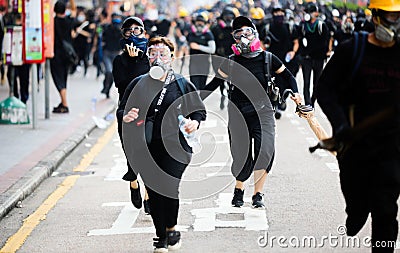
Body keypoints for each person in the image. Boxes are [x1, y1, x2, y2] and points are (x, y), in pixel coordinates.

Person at [316, 1, 400, 252]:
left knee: (385, 210)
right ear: (376, 17)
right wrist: (340, 124)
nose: (397, 23)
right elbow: (325, 90)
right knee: (357, 198)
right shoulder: (352, 50)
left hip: (392, 146)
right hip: (355, 144)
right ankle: (356, 210)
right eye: (392, 17)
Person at [117, 36, 206, 252]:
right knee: (154, 191)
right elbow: (122, 110)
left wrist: (194, 122)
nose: (158, 58)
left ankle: (172, 228)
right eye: (153, 54)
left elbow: (198, 110)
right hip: (146, 146)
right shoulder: (137, 83)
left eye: (163, 54)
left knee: (168, 187)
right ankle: (161, 236)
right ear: (148, 57)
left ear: (172, 58)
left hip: (175, 146)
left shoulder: (182, 83)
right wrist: (127, 116)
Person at [204, 16, 301, 209]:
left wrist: (295, 93)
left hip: (263, 110)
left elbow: (288, 76)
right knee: (241, 156)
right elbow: (214, 84)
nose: (243, 36)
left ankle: (258, 194)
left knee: (265, 151)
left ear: (254, 34)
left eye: (247, 31)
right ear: (234, 39)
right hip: (238, 113)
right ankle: (239, 188)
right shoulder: (230, 62)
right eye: (238, 34)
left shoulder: (268, 58)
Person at [113, 16, 151, 214]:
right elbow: (125, 85)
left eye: (138, 30)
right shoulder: (119, 61)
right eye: (129, 30)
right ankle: (133, 181)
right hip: (126, 111)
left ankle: (148, 193)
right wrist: (132, 60)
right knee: (131, 151)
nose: (133, 33)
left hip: (148, 112)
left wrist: (139, 59)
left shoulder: (149, 59)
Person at [265, 6, 300, 119]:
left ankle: (282, 101)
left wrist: (293, 52)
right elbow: (261, 41)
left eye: (281, 13)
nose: (279, 15)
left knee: (286, 83)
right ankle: (276, 105)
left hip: (288, 61)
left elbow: (296, 42)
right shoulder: (268, 27)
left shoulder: (289, 27)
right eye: (276, 13)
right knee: (274, 84)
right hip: (273, 60)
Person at [298, 2, 330, 106]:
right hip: (306, 59)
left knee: (316, 83)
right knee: (306, 82)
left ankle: (312, 101)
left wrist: (326, 52)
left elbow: (326, 40)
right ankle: (308, 104)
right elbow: (299, 40)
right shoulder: (303, 26)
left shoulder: (321, 25)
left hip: (318, 59)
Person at [50, 0, 76, 113]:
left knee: (58, 78)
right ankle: (63, 102)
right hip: (67, 55)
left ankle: (65, 103)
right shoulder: (69, 21)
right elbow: (74, 10)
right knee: (63, 77)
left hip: (56, 54)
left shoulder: (53, 22)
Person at [187, 12, 216, 90]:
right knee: (193, 86)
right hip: (193, 64)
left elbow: (212, 50)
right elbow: (187, 45)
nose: (199, 23)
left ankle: (199, 101)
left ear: (204, 23)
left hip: (204, 64)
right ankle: (194, 101)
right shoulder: (191, 34)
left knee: (202, 87)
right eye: (198, 22)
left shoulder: (208, 34)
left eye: (201, 22)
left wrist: (198, 47)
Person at [101, 13, 123, 98]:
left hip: (116, 54)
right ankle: (105, 87)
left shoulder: (122, 30)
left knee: (113, 74)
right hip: (107, 53)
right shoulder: (106, 28)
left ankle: (107, 89)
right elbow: (102, 36)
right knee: (108, 71)